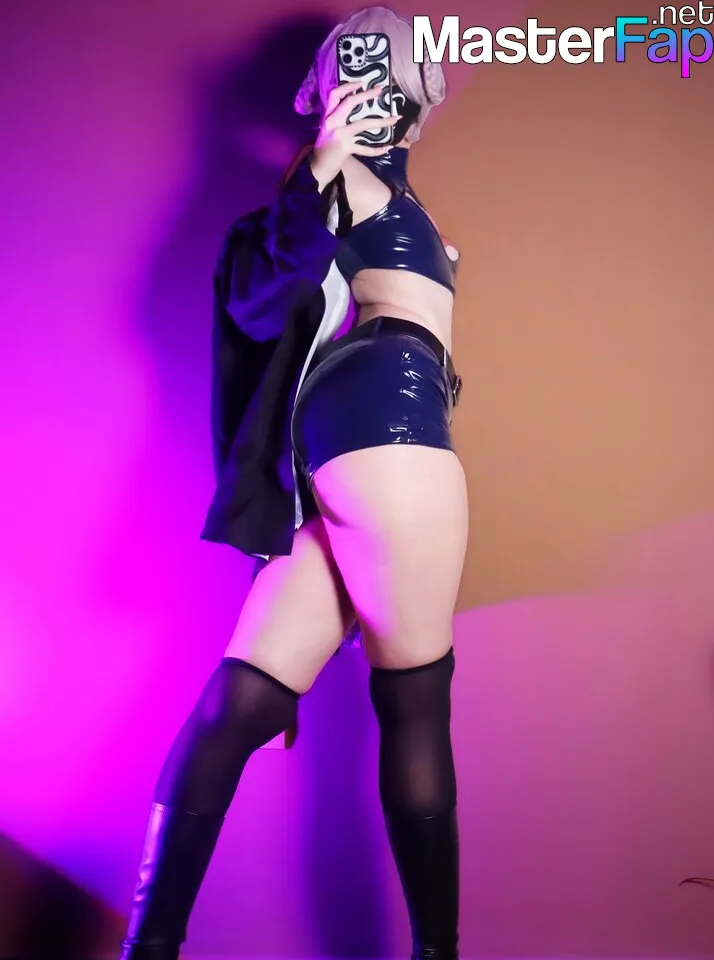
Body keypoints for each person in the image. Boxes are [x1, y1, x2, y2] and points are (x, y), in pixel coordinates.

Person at [119, 6, 468, 959]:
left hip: (342, 445)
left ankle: (149, 948)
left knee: (244, 699)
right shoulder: (332, 181)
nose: (375, 98)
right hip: (392, 424)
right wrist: (321, 163)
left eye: (387, 81)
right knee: (415, 705)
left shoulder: (384, 197)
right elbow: (261, 297)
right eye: (359, 78)